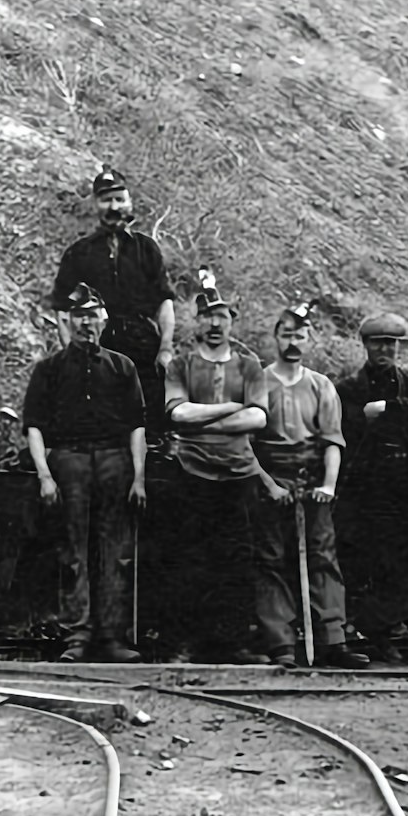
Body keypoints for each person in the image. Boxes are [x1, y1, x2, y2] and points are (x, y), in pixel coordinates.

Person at [21, 282, 148, 662]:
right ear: (69, 322)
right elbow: (35, 426)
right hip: (70, 462)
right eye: (79, 317)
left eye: (92, 315)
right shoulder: (49, 370)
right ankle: (76, 636)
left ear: (103, 321)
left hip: (114, 462)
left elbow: (137, 426)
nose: (85, 324)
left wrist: (139, 476)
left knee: (116, 552)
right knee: (72, 549)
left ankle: (111, 637)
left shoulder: (122, 367)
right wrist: (44, 474)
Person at [250, 302, 368, 669]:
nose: (293, 343)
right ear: (275, 338)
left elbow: (333, 441)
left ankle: (332, 638)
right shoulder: (258, 382)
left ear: (309, 339)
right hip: (270, 478)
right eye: (287, 335)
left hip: (312, 479)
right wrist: (269, 485)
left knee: (322, 556)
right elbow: (245, 445)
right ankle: (280, 640)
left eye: (300, 336)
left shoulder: (321, 386)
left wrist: (328, 486)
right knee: (270, 559)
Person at [159, 271, 267, 663]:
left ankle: (231, 643)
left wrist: (206, 420)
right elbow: (178, 413)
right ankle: (182, 642)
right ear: (197, 321)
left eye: (222, 316)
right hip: (191, 471)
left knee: (236, 560)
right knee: (188, 558)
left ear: (231, 320)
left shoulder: (249, 364)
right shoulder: (182, 365)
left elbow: (258, 418)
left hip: (239, 474)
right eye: (207, 316)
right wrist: (229, 408)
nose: (215, 323)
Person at [334, 313, 408, 666]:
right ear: (365, 346)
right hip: (370, 486)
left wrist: (387, 408)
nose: (384, 349)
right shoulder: (350, 387)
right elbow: (347, 422)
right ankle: (390, 638)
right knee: (377, 562)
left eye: (390, 344)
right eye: (377, 343)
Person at [50, 167, 175, 416]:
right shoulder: (79, 253)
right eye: (106, 200)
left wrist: (165, 348)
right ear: (96, 204)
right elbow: (63, 309)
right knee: (102, 419)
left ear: (129, 203)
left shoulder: (146, 249)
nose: (114, 207)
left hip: (143, 348)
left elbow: (164, 302)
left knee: (150, 421)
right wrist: (71, 354)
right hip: (97, 346)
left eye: (120, 199)